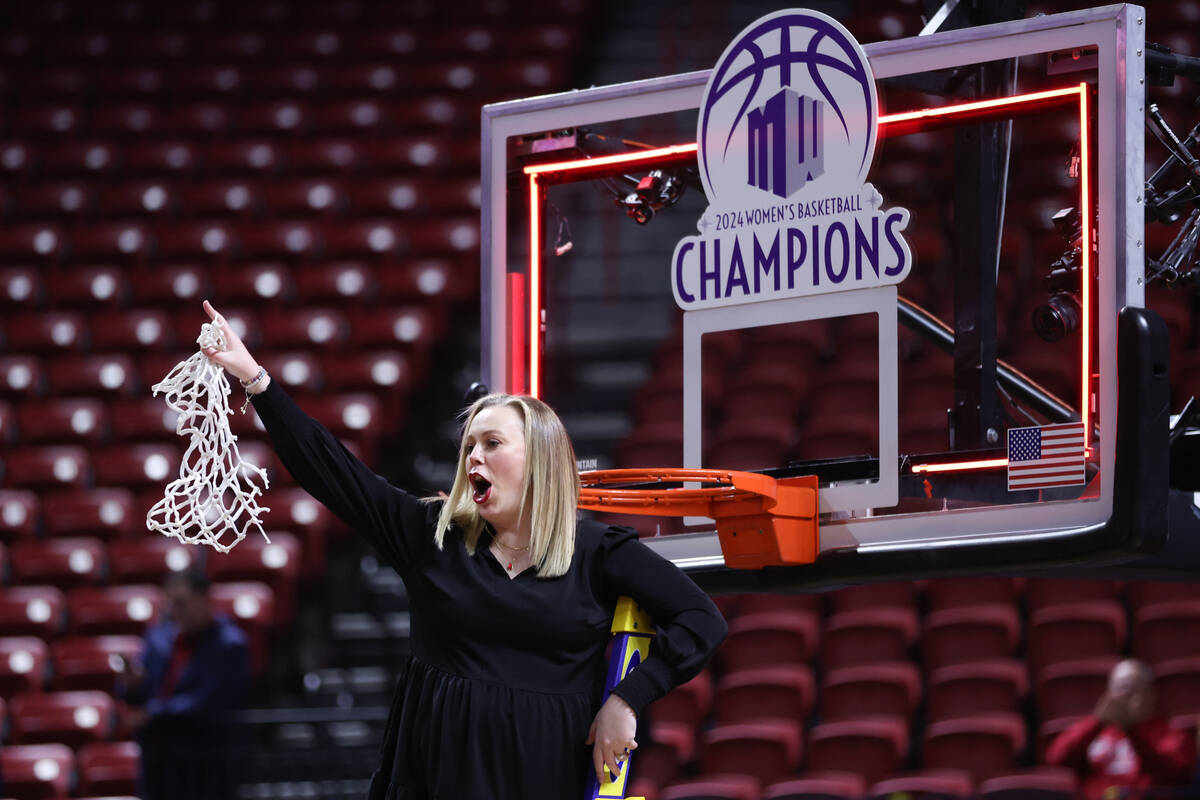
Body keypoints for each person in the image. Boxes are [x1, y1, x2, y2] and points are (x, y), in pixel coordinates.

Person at [198, 300, 728, 798]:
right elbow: (334, 472)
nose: (474, 456)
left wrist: (626, 699)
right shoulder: (432, 536)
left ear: (539, 459)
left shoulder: (595, 551)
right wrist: (255, 379)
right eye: (468, 446)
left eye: (492, 444)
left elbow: (701, 619)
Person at [115, 565, 250, 800]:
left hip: (204, 762)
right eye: (170, 603)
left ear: (205, 600)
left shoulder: (230, 644)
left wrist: (154, 713)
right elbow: (141, 690)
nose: (174, 612)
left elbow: (210, 702)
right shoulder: (159, 636)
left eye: (181, 603)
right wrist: (132, 684)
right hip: (157, 759)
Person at [1046, 658, 1195, 800]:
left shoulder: (1170, 734)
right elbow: (1056, 758)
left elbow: (1176, 771)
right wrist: (1097, 721)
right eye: (1120, 689)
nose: (1125, 697)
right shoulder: (1096, 731)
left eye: (1134, 690)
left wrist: (1132, 729)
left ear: (1151, 695)